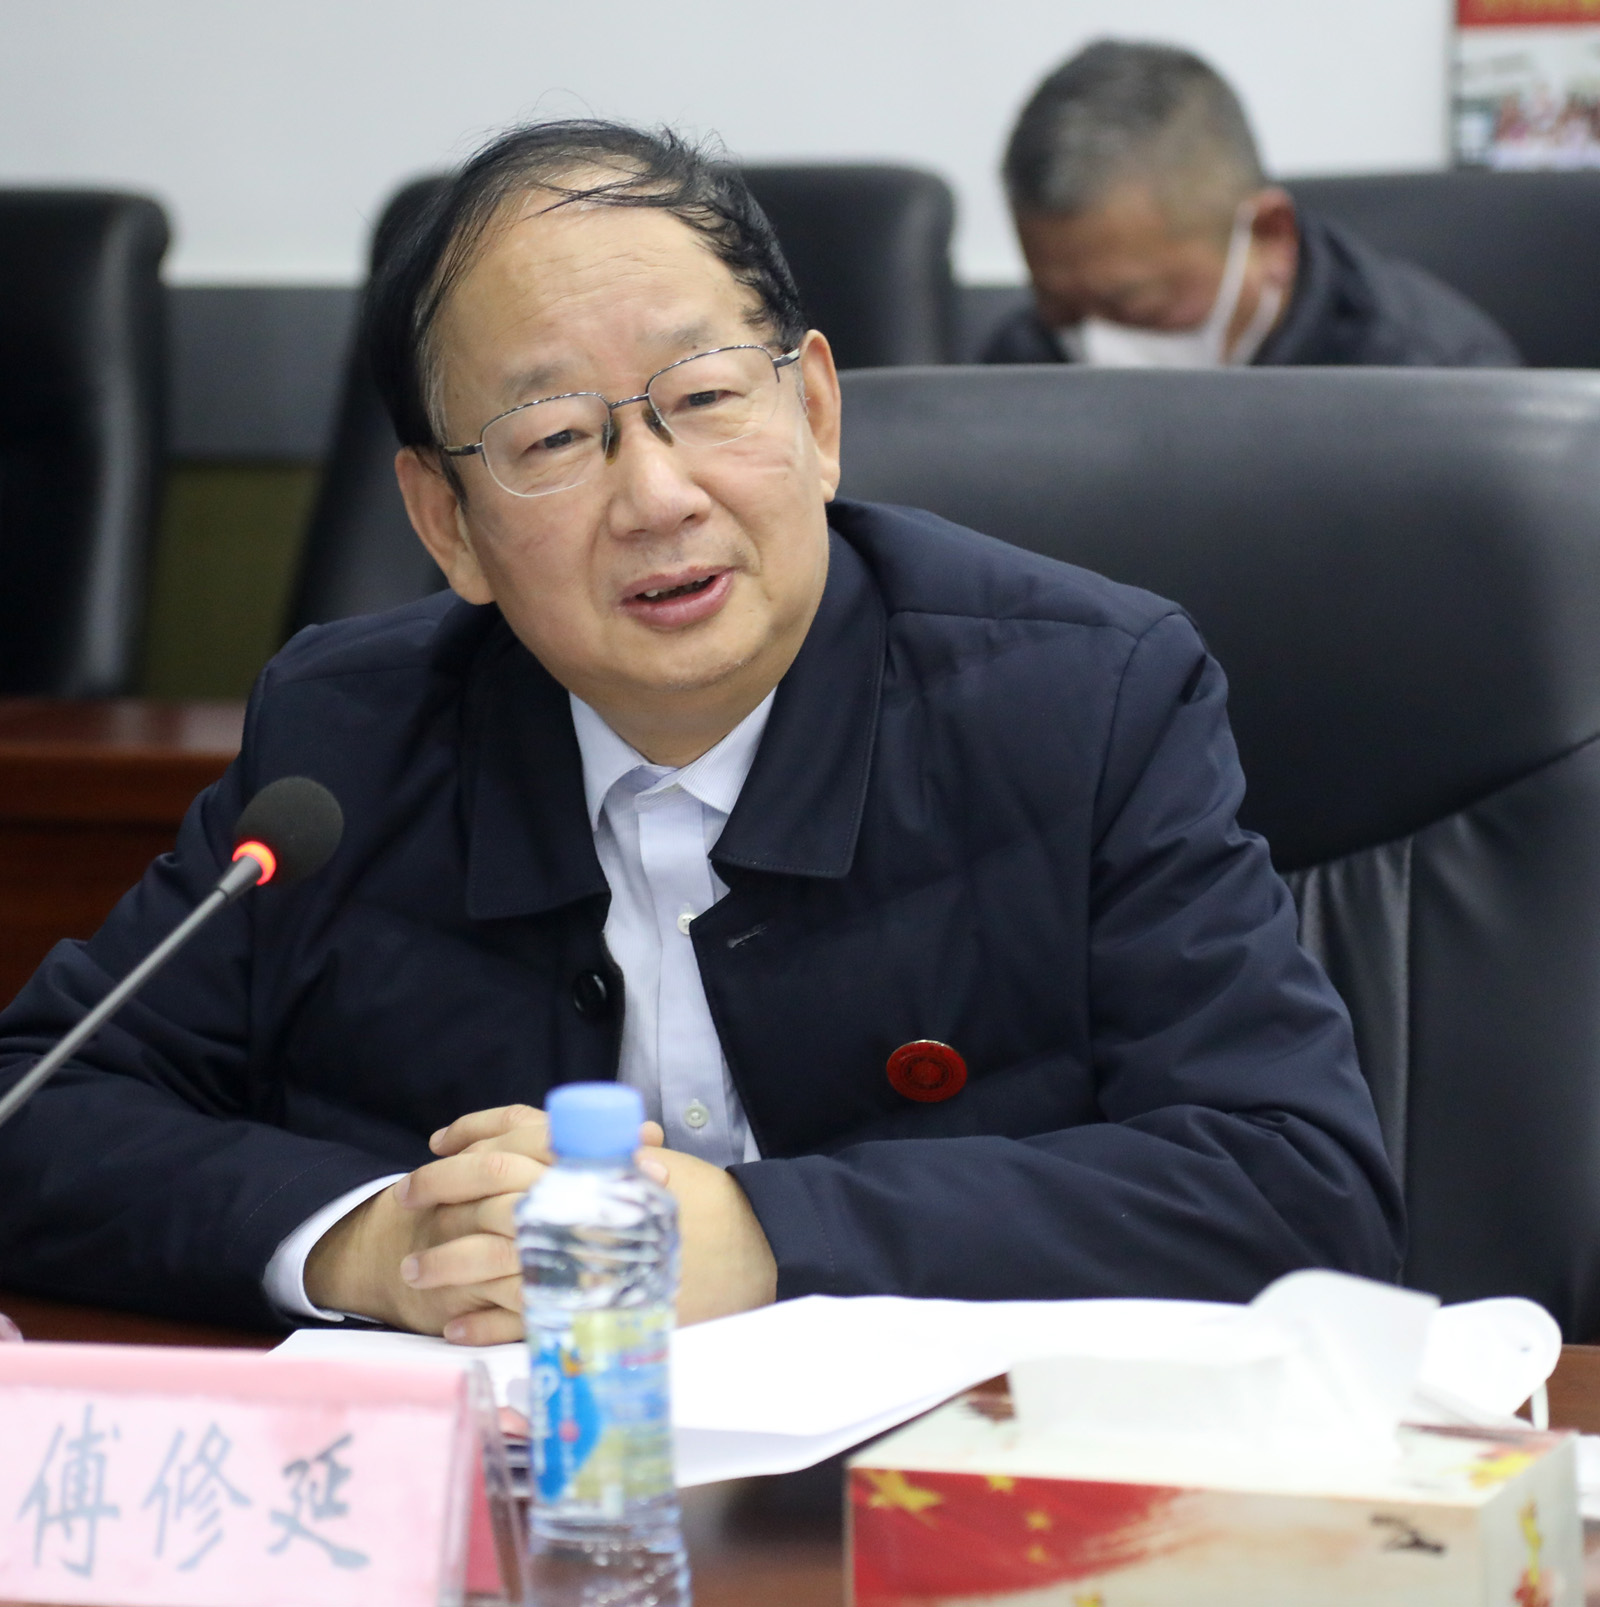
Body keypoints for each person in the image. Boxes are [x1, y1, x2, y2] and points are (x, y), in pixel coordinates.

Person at [0, 122, 1403, 1342]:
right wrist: (373, 1242)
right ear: (445, 523)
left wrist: (762, 1234)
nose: (658, 496)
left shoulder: (1085, 703)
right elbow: (36, 1108)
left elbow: (1295, 1186)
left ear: (815, 411)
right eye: (555, 436)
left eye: (706, 397)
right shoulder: (345, 744)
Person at [984, 40, 1520, 369]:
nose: (1095, 351)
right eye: (1059, 307)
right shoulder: (1019, 362)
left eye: (1135, 307)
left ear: (1271, 236)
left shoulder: (1435, 388)